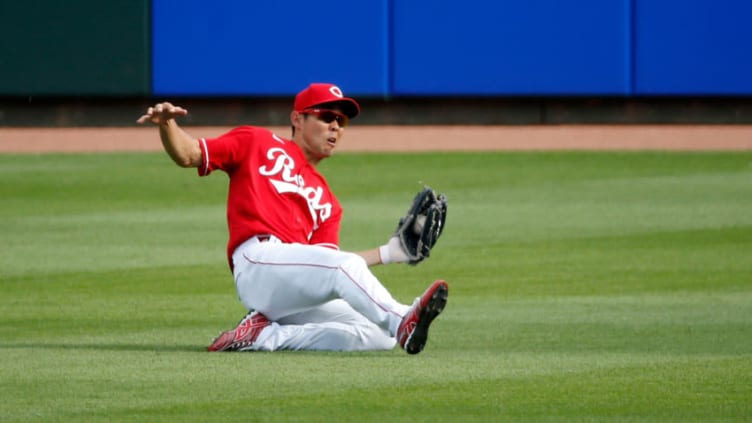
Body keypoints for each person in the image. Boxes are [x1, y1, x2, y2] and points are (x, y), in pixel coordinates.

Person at [136, 83, 448, 354]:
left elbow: (326, 265)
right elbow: (189, 154)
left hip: (289, 287)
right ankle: (402, 318)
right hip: (257, 262)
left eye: (341, 121)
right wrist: (167, 125)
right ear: (298, 119)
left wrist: (390, 253)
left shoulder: (328, 201)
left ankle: (266, 335)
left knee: (378, 335)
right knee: (370, 299)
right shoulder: (256, 141)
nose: (336, 127)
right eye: (327, 117)